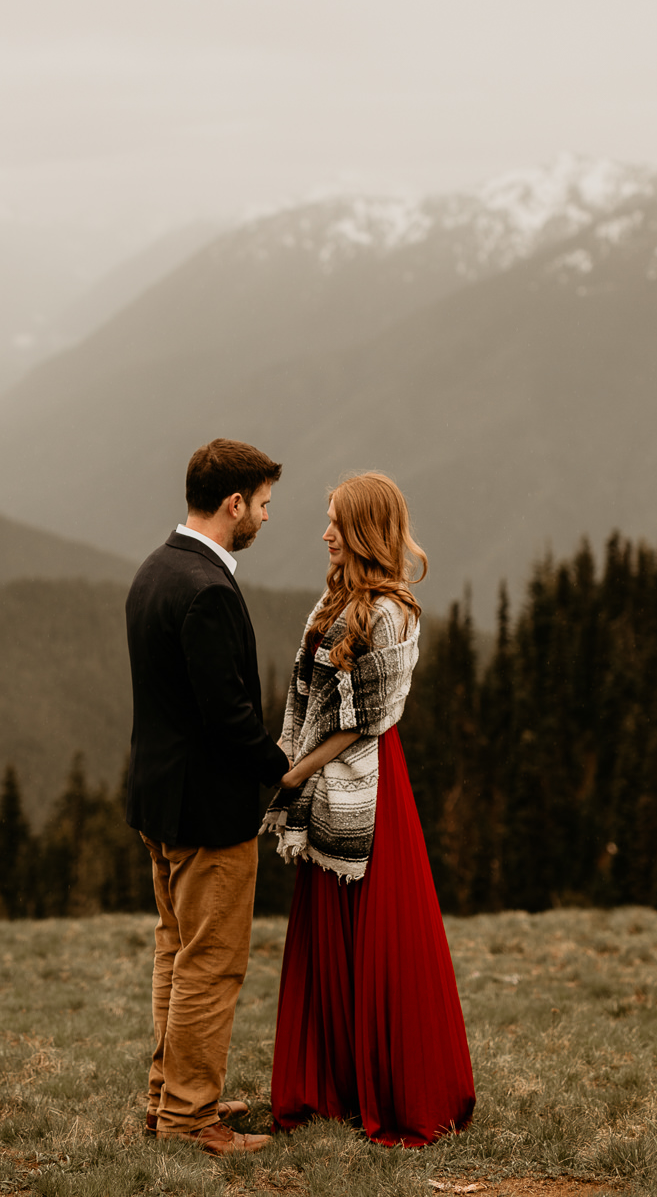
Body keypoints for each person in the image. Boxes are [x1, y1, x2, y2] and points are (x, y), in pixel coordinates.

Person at [260, 472, 475, 1146]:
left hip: (367, 786)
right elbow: (309, 702)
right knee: (329, 931)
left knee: (377, 933)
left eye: (334, 522)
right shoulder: (335, 605)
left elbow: (365, 721)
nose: (323, 533)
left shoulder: (388, 612)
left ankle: (394, 1089)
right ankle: (333, 1086)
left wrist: (291, 773)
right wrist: (282, 761)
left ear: (362, 531)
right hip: (324, 780)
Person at [124, 438, 290, 1156]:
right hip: (205, 809)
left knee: (175, 951)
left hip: (158, 799)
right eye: (261, 505)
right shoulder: (209, 590)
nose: (263, 518)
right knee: (210, 963)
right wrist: (283, 766)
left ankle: (170, 1099)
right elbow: (228, 717)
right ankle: (192, 1119)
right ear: (233, 504)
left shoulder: (156, 569)